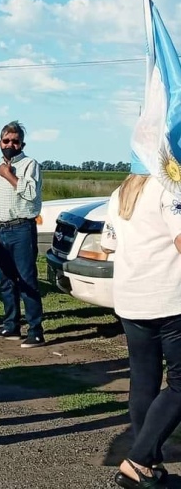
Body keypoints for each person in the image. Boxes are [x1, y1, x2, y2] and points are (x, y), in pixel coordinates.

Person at [101, 173, 181, 488]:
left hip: (131, 299)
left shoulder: (121, 191)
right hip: (168, 299)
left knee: (143, 380)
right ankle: (139, 459)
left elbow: (108, 243)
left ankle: (148, 463)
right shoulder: (170, 187)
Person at [0, 121, 45, 348]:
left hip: (21, 228)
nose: (10, 144)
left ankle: (36, 330)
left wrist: (9, 175)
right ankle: (11, 325)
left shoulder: (30, 165)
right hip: (0, 230)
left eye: (15, 141)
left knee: (27, 280)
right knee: (7, 280)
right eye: (6, 141)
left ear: (22, 144)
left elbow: (30, 193)